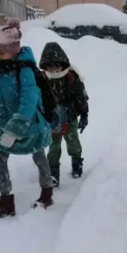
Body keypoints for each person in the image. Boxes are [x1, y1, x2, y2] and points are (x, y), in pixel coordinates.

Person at [0, 18, 55, 218]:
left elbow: (29, 101)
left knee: (39, 155)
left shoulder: (25, 69)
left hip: (30, 124)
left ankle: (47, 192)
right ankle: (6, 199)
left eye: (0, 52)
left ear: (13, 49)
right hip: (7, 122)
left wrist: (15, 130)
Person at [38, 42, 89, 186]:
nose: (54, 70)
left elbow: (81, 97)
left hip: (70, 115)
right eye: (50, 66)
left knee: (73, 141)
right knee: (54, 146)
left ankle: (77, 164)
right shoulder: (42, 78)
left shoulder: (72, 77)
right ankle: (53, 173)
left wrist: (84, 115)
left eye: (57, 66)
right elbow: (37, 98)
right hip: (52, 117)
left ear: (63, 64)